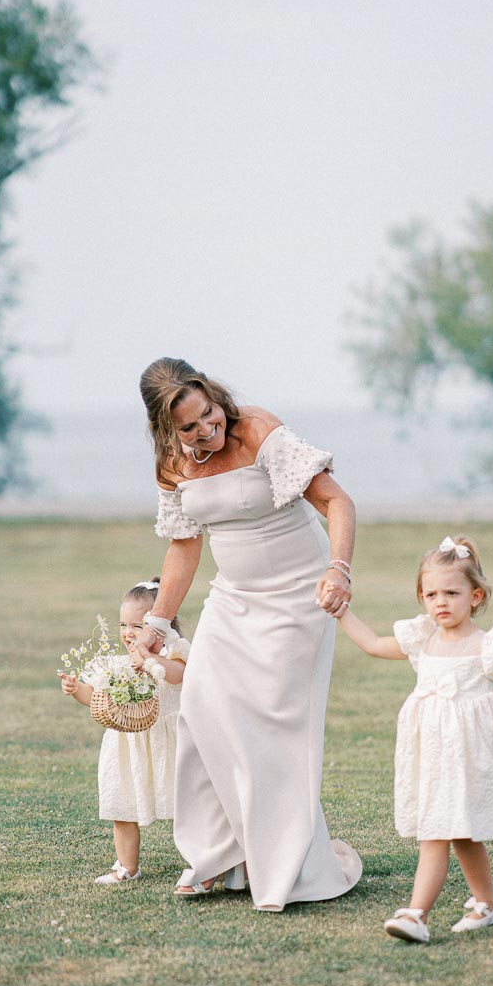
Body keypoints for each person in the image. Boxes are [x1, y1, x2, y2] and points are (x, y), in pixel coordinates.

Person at [135, 357, 363, 912]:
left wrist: (339, 569)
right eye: (190, 428)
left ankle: (285, 869)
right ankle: (216, 857)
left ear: (216, 398)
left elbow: (337, 501)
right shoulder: (172, 464)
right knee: (202, 710)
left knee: (272, 731)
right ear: (167, 431)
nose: (207, 430)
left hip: (296, 597)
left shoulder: (259, 430)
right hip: (233, 599)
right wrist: (157, 623)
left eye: (209, 414)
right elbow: (184, 545)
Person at [338, 534, 493, 944]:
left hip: (470, 757)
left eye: (452, 592)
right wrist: (342, 612)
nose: (441, 602)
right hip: (432, 755)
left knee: (445, 832)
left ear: (475, 595)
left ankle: (417, 914)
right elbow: (374, 644)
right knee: (452, 832)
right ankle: (486, 904)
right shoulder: (424, 639)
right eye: (431, 593)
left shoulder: (489, 646)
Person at [60, 578, 190, 884]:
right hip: (127, 745)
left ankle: (205, 860)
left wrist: (149, 659)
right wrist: (77, 689)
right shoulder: (117, 664)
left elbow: (178, 675)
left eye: (137, 625)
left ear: (160, 624)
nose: (128, 633)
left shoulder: (175, 651)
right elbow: (97, 699)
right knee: (122, 806)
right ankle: (126, 867)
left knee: (189, 805)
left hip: (168, 745)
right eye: (123, 624)